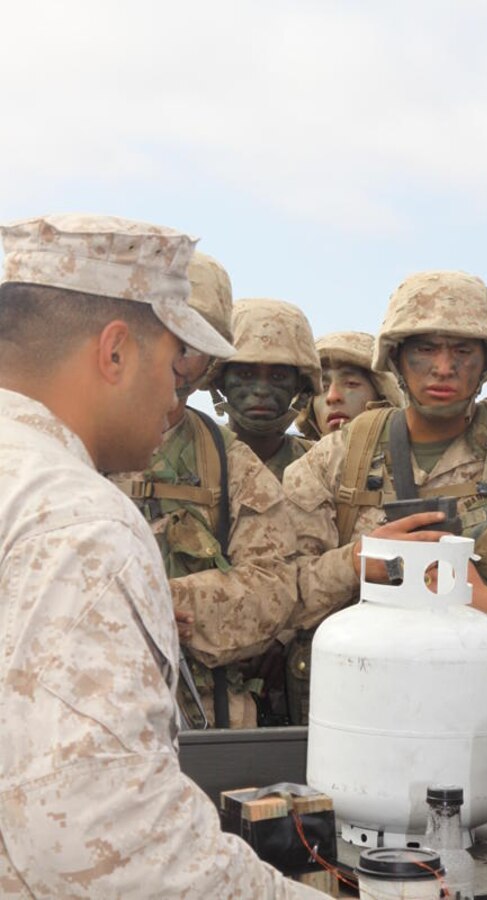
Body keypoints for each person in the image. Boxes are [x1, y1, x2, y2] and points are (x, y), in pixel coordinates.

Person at [0, 215, 323, 898]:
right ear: (115, 353)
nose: (179, 394)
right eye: (177, 363)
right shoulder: (78, 518)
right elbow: (106, 845)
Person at [283, 270, 487, 708]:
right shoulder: (333, 462)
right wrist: (357, 563)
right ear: (395, 359)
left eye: (463, 351)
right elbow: (275, 598)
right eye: (426, 350)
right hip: (364, 706)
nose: (444, 368)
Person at [113, 253, 299, 729]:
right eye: (154, 336)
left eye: (188, 343)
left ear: (211, 359)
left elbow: (274, 589)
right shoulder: (58, 445)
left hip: (203, 721)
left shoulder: (230, 461)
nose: (171, 360)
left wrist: (166, 603)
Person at [210, 298, 322, 482]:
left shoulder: (321, 466)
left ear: (299, 386)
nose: (261, 390)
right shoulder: (190, 455)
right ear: (221, 381)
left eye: (278, 377)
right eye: (245, 374)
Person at [296, 330, 403, 439]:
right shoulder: (295, 454)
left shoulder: (409, 453)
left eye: (351, 384)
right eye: (323, 387)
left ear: (382, 398)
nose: (332, 397)